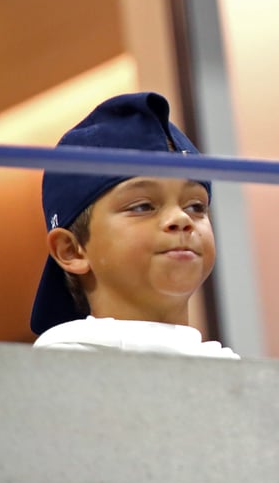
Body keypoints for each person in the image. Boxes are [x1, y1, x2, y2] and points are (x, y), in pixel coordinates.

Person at [30, 92, 238, 359]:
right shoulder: (55, 372)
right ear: (72, 250)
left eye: (195, 207)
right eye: (143, 207)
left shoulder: (233, 370)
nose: (181, 219)